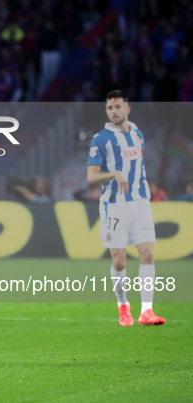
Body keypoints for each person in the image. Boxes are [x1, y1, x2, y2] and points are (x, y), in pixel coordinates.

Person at [87, 90, 164, 326]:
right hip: (114, 206)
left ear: (127, 109)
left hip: (140, 202)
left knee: (148, 254)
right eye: (109, 108)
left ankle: (147, 311)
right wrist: (115, 174)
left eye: (118, 107)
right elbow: (91, 177)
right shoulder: (100, 139)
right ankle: (123, 307)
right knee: (119, 262)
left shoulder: (138, 134)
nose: (114, 111)